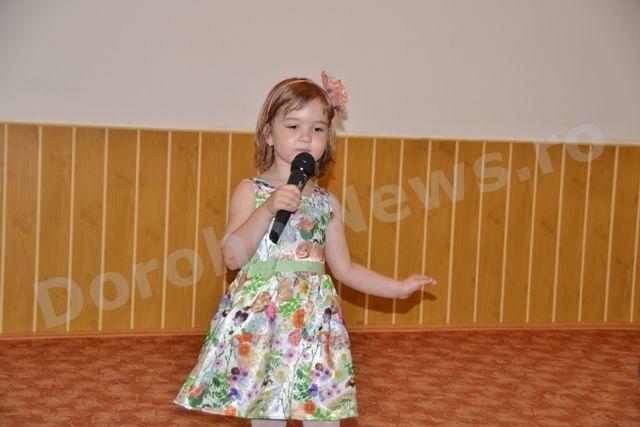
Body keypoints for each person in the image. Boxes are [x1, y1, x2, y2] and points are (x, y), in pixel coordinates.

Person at [173, 71, 437, 426]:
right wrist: (269, 209)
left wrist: (397, 287)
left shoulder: (327, 202)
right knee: (267, 409)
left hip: (314, 323)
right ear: (269, 133)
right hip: (263, 323)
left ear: (328, 137)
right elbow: (232, 256)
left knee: (322, 410)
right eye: (293, 126)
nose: (305, 137)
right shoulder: (252, 192)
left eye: (318, 128)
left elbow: (345, 269)